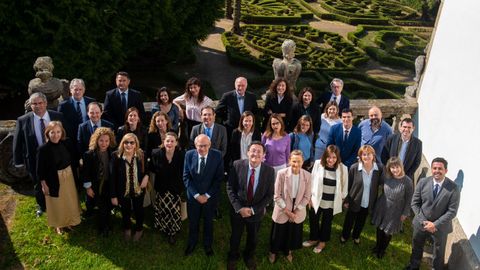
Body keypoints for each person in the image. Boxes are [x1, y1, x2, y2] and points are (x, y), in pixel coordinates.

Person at [13, 92, 65, 216]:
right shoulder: (23, 120)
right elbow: (18, 141)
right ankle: (42, 206)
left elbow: (65, 136)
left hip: (56, 158)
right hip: (34, 160)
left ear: (45, 103)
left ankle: (59, 203)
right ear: (30, 106)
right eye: (34, 104)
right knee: (38, 184)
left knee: (57, 181)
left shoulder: (58, 116)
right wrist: (18, 161)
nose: (38, 106)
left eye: (40, 103)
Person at [226, 141, 275, 270]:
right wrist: (239, 208)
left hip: (256, 212)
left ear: (264, 155)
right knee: (235, 235)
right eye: (253, 150)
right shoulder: (237, 165)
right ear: (247, 152)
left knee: (253, 237)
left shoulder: (269, 171)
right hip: (238, 210)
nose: (256, 154)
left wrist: (253, 210)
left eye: (259, 151)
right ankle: (233, 256)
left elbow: (269, 195)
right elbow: (230, 188)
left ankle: (249, 256)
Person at [405, 158, 460, 270]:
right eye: (434, 168)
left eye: (440, 168)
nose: (437, 171)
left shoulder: (453, 188)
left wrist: (435, 224)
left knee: (439, 253)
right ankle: (414, 266)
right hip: (421, 223)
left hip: (440, 227)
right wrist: (423, 221)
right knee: (417, 247)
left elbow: (452, 211)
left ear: (446, 170)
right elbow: (414, 203)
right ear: (431, 169)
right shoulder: (423, 182)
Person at [37, 121, 81, 234]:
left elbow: (74, 158)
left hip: (69, 176)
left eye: (58, 132)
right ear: (48, 133)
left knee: (69, 200)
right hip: (53, 179)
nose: (56, 135)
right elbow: (40, 170)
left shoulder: (67, 143)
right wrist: (44, 185)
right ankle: (58, 224)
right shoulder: (43, 149)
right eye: (52, 132)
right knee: (57, 203)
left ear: (62, 133)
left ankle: (70, 221)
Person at [183, 134, 224, 256]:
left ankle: (208, 245)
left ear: (210, 145)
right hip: (193, 196)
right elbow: (186, 177)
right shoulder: (189, 155)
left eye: (206, 146)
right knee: (193, 221)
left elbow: (218, 179)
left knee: (208, 221)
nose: (203, 149)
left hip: (209, 197)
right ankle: (192, 242)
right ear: (195, 145)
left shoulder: (217, 156)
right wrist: (196, 195)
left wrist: (206, 195)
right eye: (200, 146)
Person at [269, 150, 311, 263]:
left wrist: (296, 212)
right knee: (278, 232)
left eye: (298, 162)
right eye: (293, 161)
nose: (296, 164)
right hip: (282, 207)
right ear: (289, 161)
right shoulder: (281, 173)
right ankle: (273, 251)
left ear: (303, 162)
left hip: (298, 209)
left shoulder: (307, 175)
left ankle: (288, 251)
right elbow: (277, 196)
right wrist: (287, 212)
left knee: (292, 232)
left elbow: (307, 196)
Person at [304, 145, 348, 253]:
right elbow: (311, 180)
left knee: (326, 222)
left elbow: (345, 185)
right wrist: (309, 197)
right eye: (328, 157)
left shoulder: (343, 168)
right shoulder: (318, 164)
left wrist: (341, 199)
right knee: (313, 220)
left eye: (334, 157)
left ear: (337, 158)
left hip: (331, 202)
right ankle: (314, 238)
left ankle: (322, 241)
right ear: (325, 156)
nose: (331, 160)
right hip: (316, 199)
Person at [110, 133, 149, 242]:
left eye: (132, 142)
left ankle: (139, 229)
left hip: (138, 189)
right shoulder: (116, 156)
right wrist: (113, 195)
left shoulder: (141, 155)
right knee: (125, 210)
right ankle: (127, 228)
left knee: (139, 210)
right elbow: (112, 177)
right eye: (126, 142)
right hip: (123, 190)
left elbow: (147, 169)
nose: (129, 145)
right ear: (122, 144)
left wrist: (146, 176)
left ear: (136, 144)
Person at [371, 157, 413, 258]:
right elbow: (377, 182)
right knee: (379, 228)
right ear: (389, 168)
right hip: (382, 205)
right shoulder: (386, 176)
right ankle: (377, 246)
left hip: (396, 210)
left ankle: (382, 250)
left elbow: (409, 199)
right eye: (392, 167)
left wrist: (405, 213)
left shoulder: (407, 181)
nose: (395, 170)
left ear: (401, 167)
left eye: (397, 167)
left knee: (387, 231)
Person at [341, 145, 383, 244]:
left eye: (369, 154)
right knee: (349, 220)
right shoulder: (354, 168)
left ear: (373, 155)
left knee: (361, 221)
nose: (366, 157)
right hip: (354, 200)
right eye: (364, 154)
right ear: (360, 156)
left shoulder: (379, 169)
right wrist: (346, 200)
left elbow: (382, 183)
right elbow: (348, 185)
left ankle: (356, 235)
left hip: (368, 201)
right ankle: (345, 235)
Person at [149, 132, 185, 245]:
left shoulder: (182, 155)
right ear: (163, 142)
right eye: (167, 141)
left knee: (174, 210)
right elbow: (152, 168)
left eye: (172, 141)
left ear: (176, 143)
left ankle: (172, 231)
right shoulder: (156, 153)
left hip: (175, 188)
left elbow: (184, 172)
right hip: (162, 187)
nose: (169, 143)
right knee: (162, 208)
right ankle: (163, 226)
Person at [82, 127, 116, 236]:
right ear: (96, 140)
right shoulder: (89, 154)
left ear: (110, 141)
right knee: (101, 207)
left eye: (106, 141)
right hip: (96, 185)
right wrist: (88, 187)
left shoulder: (113, 154)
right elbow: (85, 172)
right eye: (101, 140)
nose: (104, 143)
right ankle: (103, 228)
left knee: (108, 205)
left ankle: (108, 224)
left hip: (108, 184)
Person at [381, 118, 422, 182]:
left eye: (409, 127)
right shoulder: (391, 139)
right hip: (390, 175)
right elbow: (384, 156)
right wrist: (390, 170)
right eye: (404, 127)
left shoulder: (418, 143)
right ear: (400, 127)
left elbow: (417, 162)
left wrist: (405, 175)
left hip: (406, 177)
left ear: (413, 128)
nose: (406, 129)